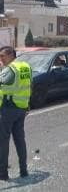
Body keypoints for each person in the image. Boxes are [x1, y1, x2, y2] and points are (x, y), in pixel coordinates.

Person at [0, 46, 31, 180]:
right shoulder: (25, 66)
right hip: (21, 108)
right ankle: (23, 170)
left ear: (11, 55)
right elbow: (30, 85)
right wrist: (28, 104)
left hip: (8, 108)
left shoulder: (9, 69)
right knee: (19, 140)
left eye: (2, 56)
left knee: (3, 141)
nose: (0, 59)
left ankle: (2, 174)